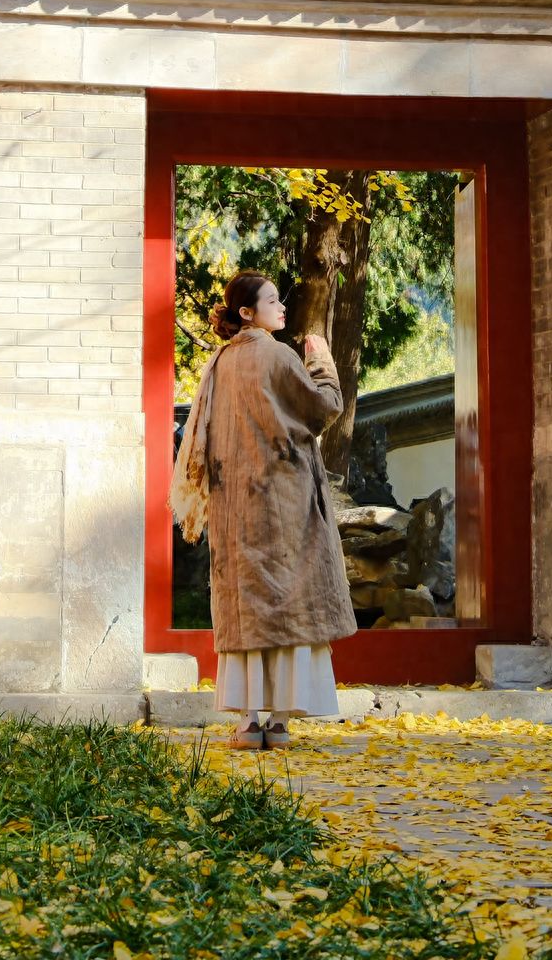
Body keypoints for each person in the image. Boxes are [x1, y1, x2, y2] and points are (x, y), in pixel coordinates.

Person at [170, 270, 357, 750]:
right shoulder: (279, 355)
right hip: (283, 499)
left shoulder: (219, 364)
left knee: (244, 600)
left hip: (234, 499)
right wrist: (321, 361)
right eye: (272, 301)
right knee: (289, 596)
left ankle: (248, 721)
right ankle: (278, 720)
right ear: (247, 312)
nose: (282, 307)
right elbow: (322, 409)